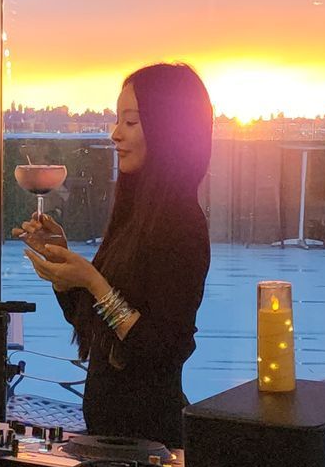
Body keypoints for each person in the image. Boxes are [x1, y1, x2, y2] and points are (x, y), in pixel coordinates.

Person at [15, 63, 212, 446]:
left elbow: (162, 350)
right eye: (117, 120)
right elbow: (90, 320)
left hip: (151, 443)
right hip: (110, 438)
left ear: (170, 131)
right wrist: (63, 266)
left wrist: (91, 279)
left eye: (131, 122)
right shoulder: (136, 213)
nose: (115, 134)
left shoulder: (183, 223)